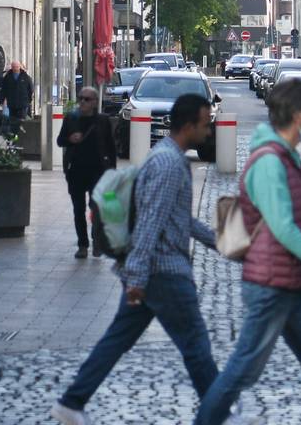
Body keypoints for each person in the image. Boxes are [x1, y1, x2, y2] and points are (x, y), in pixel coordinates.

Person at [53, 92, 220, 425]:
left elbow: (177, 219)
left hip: (150, 272)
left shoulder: (167, 159)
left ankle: (72, 402)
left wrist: (220, 242)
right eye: (205, 123)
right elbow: (150, 222)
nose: (209, 131)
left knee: (117, 340)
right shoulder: (169, 163)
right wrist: (139, 277)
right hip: (164, 272)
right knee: (196, 346)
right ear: (188, 125)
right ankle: (221, 412)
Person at [194, 77, 301, 425]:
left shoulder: (285, 156)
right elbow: (282, 226)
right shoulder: (269, 161)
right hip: (270, 286)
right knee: (240, 373)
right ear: (297, 115)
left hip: (292, 283)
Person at [58, 86, 118, 259]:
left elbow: (111, 148)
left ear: (94, 102)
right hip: (76, 170)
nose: (82, 102)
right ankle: (82, 245)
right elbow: (60, 140)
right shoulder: (71, 119)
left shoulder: (102, 121)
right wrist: (70, 139)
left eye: (86, 99)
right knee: (78, 209)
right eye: (80, 98)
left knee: (97, 208)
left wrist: (112, 171)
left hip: (98, 171)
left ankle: (97, 241)